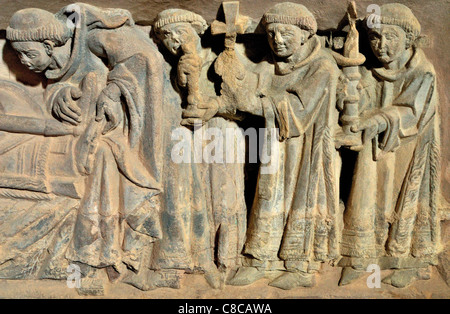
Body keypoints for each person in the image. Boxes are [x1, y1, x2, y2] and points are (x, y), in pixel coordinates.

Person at [6, 3, 165, 290]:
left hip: (133, 124)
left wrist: (114, 90)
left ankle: (104, 255)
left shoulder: (91, 38)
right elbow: (61, 88)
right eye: (17, 55)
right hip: (86, 130)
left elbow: (146, 58)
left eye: (28, 54)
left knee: (104, 156)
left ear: (49, 45)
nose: (23, 63)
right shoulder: (55, 66)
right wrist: (59, 96)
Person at [225, 2, 341, 289]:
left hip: (305, 151)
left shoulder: (322, 66)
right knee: (267, 197)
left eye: (285, 33)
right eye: (272, 34)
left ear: (304, 35)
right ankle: (260, 260)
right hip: (274, 148)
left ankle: (300, 266)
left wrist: (255, 104)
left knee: (301, 200)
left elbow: (298, 110)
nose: (277, 40)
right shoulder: (269, 65)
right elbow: (247, 86)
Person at [338, 3, 441, 288]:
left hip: (409, 148)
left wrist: (378, 120)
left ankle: (411, 261)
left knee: (406, 200)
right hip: (377, 148)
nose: (380, 46)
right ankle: (361, 256)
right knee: (367, 193)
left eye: (389, 38)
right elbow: (361, 104)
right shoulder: (372, 72)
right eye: (374, 38)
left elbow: (412, 111)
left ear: (407, 39)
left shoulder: (423, 71)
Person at [152, 9, 247, 288]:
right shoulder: (173, 67)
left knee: (224, 196)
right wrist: (179, 79)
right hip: (190, 141)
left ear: (196, 32)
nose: (174, 41)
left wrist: (215, 108)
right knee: (198, 198)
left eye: (179, 33)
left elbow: (244, 105)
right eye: (166, 37)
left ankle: (228, 259)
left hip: (222, 135)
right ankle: (198, 258)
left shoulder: (221, 60)